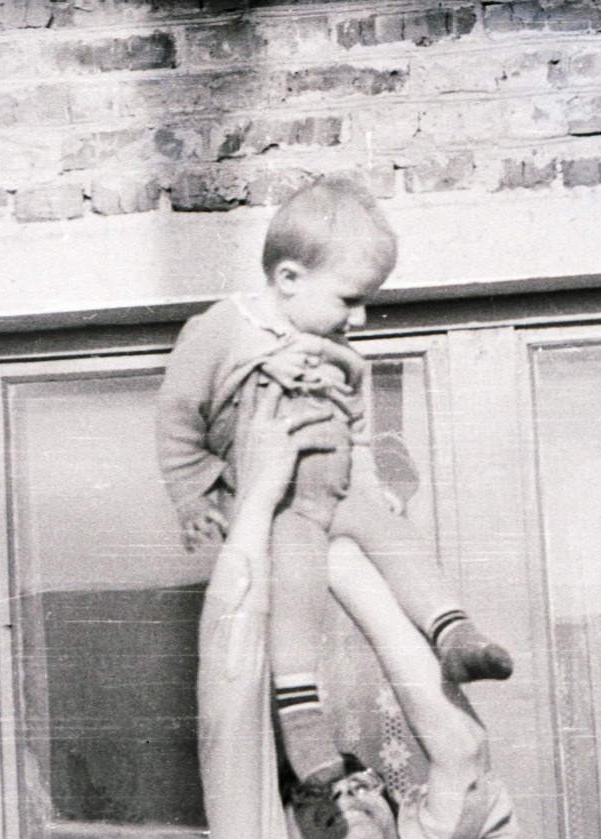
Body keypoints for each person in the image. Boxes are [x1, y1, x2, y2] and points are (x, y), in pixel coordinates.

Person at [196, 383, 518, 839]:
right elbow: (226, 704)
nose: (349, 782)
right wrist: (258, 500)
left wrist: (346, 565)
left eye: (360, 774)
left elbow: (463, 759)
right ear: (274, 834)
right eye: (310, 788)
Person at [158, 174, 510, 791]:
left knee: (399, 538)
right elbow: (178, 416)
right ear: (289, 279)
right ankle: (301, 715)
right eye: (349, 300)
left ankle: (452, 630)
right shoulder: (222, 328)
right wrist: (194, 495)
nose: (362, 316)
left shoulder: (337, 345)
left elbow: (359, 420)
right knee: (297, 587)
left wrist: (370, 473)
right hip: (285, 502)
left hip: (343, 489)